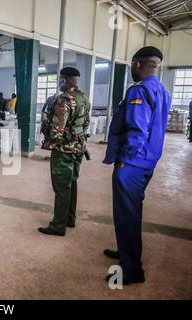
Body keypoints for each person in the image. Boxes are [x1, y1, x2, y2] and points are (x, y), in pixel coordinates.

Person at [102, 46, 171, 285]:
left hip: (132, 164)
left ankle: (131, 270)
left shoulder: (138, 91)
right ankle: (126, 252)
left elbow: (137, 130)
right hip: (147, 162)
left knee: (126, 216)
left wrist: (123, 161)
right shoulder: (162, 90)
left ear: (137, 64)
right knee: (132, 212)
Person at [38, 67, 91, 237]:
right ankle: (70, 218)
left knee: (61, 187)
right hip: (78, 149)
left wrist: (48, 135)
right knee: (72, 183)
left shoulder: (64, 100)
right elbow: (85, 124)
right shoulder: (84, 98)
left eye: (59, 79)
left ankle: (58, 225)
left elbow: (57, 131)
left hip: (64, 151)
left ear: (65, 80)